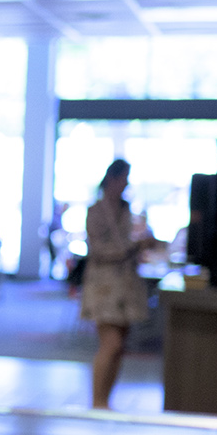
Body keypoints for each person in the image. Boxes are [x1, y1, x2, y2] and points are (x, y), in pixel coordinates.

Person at [82, 159, 151, 409]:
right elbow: (100, 250)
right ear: (112, 179)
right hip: (104, 287)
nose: (126, 184)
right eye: (123, 178)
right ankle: (97, 401)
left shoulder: (125, 209)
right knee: (111, 343)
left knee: (119, 346)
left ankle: (104, 400)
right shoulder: (96, 211)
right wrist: (134, 246)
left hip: (126, 285)